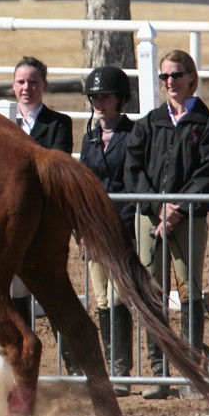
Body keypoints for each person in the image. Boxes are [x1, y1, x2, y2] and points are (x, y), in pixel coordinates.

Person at [124, 49, 209, 399]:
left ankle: (191, 371)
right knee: (151, 291)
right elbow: (132, 167)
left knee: (188, 291)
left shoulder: (207, 125)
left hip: (189, 220)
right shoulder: (150, 123)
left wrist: (177, 208)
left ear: (191, 77)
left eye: (176, 75)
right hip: (150, 217)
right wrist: (156, 205)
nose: (170, 82)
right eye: (165, 76)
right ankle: (159, 371)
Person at [78, 66, 135, 397]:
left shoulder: (132, 134)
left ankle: (122, 369)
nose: (99, 102)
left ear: (119, 100)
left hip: (121, 227)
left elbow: (133, 184)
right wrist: (83, 228)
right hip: (93, 229)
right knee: (102, 297)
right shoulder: (90, 138)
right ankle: (113, 366)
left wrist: (119, 226)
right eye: (95, 97)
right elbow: (83, 185)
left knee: (118, 295)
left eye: (105, 96)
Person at [9, 56, 73, 337]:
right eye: (21, 82)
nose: (27, 88)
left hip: (44, 220)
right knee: (14, 289)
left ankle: (72, 362)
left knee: (51, 291)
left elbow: (56, 164)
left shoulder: (59, 123)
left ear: (44, 85)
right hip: (10, 219)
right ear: (13, 85)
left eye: (33, 82)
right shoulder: (1, 122)